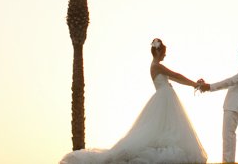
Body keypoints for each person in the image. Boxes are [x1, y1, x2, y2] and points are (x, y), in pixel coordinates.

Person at [60, 38, 207, 164]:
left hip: (165, 97)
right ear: (157, 51)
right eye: (163, 52)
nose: (165, 54)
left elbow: (175, 78)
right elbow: (176, 74)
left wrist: (193, 83)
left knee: (166, 127)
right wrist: (195, 84)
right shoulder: (157, 66)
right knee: (162, 126)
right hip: (164, 97)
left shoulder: (157, 67)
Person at [198, 45, 238, 164]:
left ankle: (228, 162)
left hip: (234, 106)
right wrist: (207, 86)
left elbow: (231, 81)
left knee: (228, 137)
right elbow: (232, 82)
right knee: (227, 137)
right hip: (232, 106)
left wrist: (209, 87)